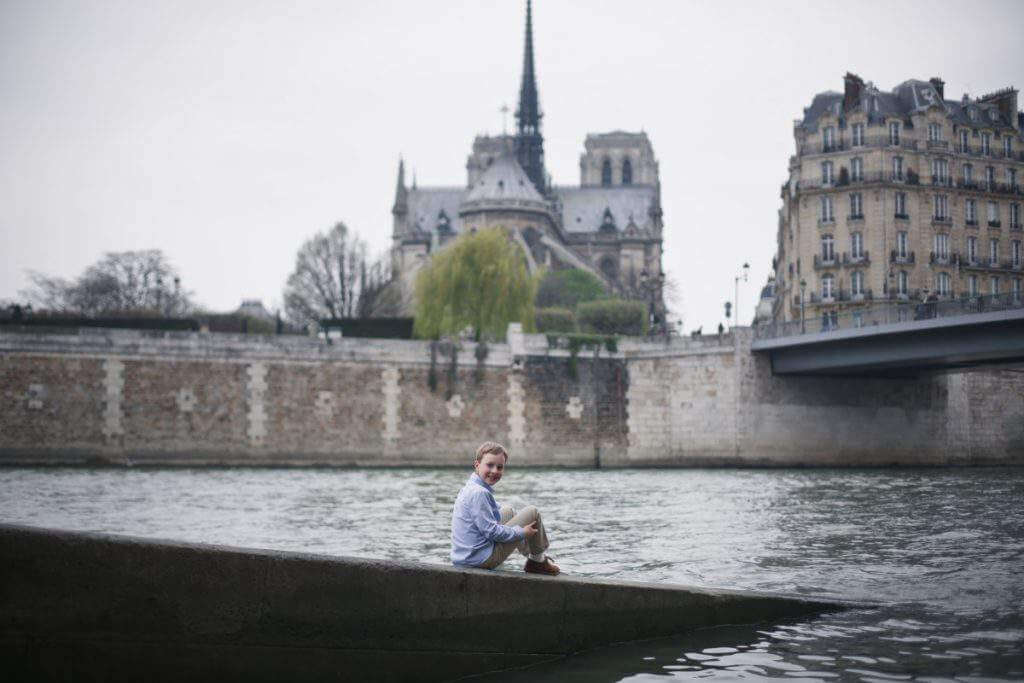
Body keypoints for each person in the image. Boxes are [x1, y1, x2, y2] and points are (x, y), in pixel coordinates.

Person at [450, 441, 560, 575]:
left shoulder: (471, 486)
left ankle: (532, 556)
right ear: (477, 465)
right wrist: (521, 533)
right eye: (490, 465)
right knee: (532, 512)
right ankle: (537, 562)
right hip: (480, 560)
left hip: (465, 557)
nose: (495, 471)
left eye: (500, 467)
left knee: (509, 511)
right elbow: (491, 532)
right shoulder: (479, 493)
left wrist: (518, 528)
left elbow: (492, 513)